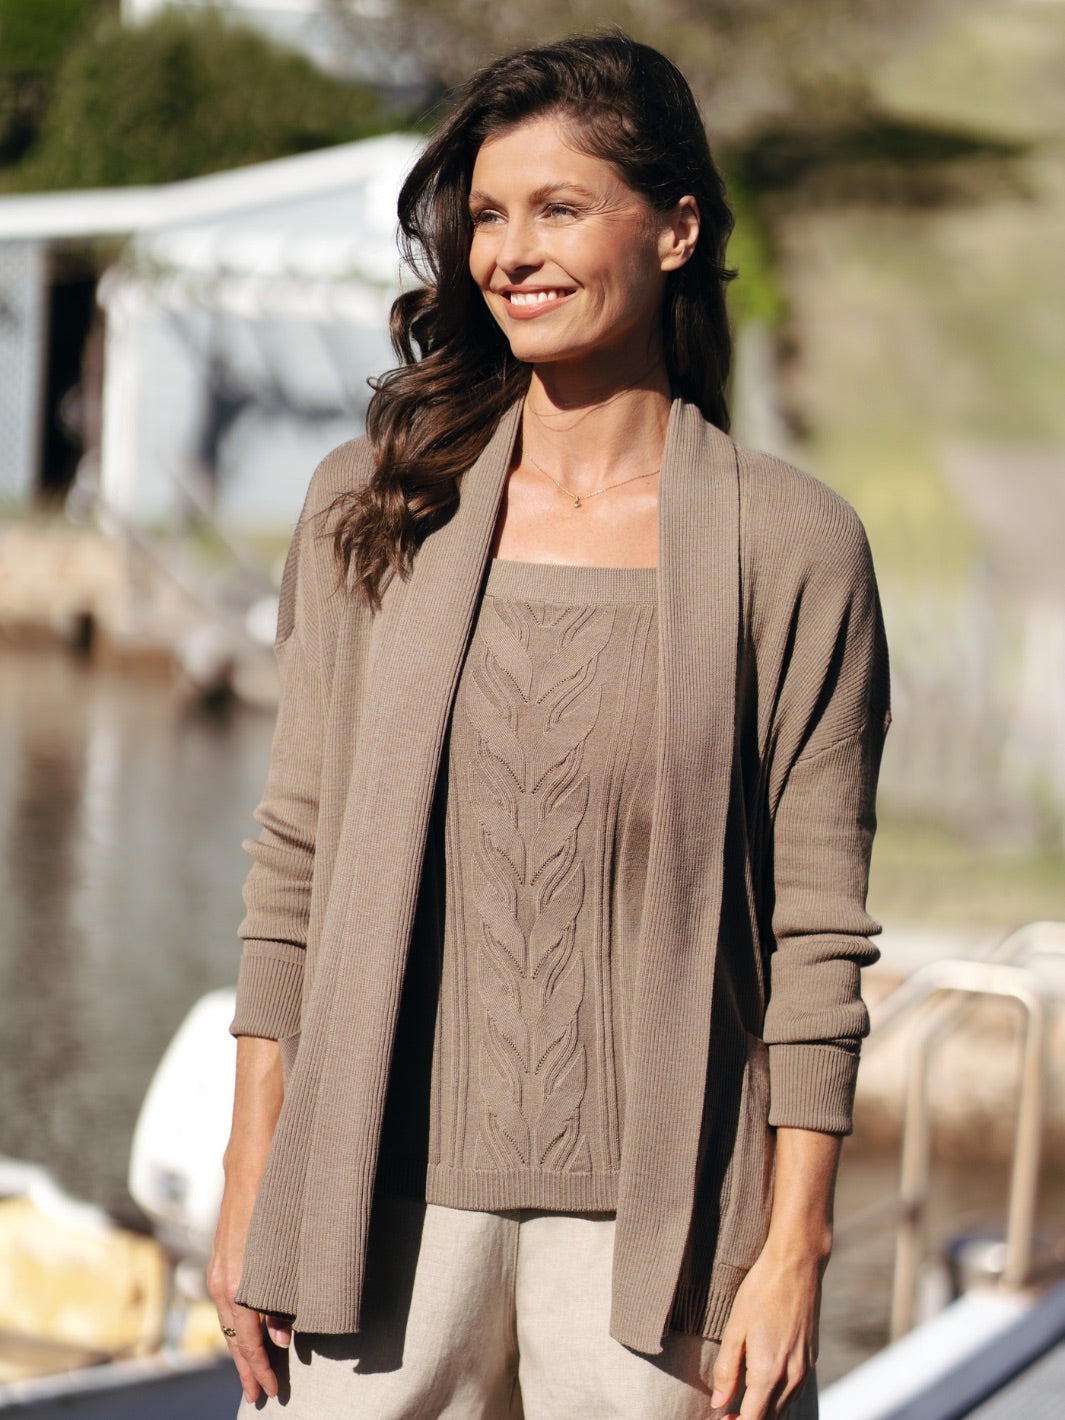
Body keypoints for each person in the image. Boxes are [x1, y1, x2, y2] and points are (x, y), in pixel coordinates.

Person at [208, 31, 889, 1420]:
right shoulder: (373, 509)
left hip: (667, 1240)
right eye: (489, 217)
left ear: (678, 228)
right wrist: (251, 1189)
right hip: (371, 1219)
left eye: (560, 208)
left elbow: (817, 938)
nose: (510, 252)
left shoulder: (793, 548)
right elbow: (296, 859)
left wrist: (793, 1247)